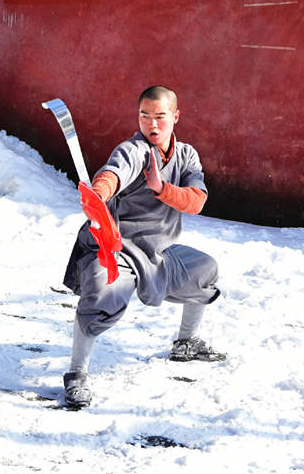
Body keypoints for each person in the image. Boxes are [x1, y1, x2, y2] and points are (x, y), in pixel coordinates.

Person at [62, 85, 224, 408]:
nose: (151, 124)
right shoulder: (134, 150)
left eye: (160, 117)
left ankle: (186, 343)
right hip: (120, 249)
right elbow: (114, 173)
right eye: (144, 116)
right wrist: (99, 193)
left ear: (175, 117)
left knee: (206, 271)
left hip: (159, 253)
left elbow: (197, 200)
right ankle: (76, 375)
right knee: (100, 293)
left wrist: (161, 188)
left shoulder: (187, 156)